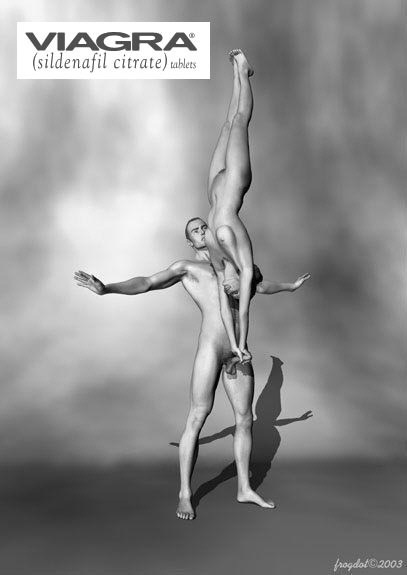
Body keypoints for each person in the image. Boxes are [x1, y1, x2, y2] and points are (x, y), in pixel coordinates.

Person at [74, 217, 310, 520]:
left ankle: (244, 488)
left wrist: (290, 287)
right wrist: (107, 288)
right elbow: (147, 282)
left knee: (245, 419)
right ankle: (185, 494)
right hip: (211, 349)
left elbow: (260, 286)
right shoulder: (188, 268)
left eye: (204, 227)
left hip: (239, 352)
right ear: (191, 242)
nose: (202, 232)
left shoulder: (235, 268)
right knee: (198, 416)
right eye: (195, 231)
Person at [204, 49, 257, 365]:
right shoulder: (244, 265)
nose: (230, 290)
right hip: (235, 180)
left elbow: (227, 312)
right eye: (236, 291)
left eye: (229, 292)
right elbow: (243, 311)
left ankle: (237, 76)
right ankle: (244, 71)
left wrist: (234, 345)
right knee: (239, 122)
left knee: (226, 126)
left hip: (213, 190)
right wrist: (244, 342)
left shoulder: (218, 263)